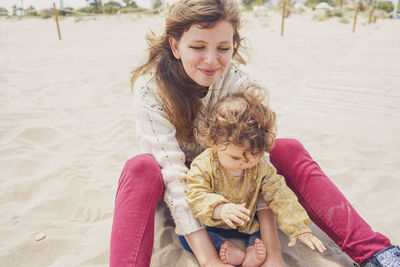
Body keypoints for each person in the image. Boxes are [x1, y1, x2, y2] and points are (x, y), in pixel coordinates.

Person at [109, 0, 399, 266]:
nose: (211, 60)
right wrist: (210, 261)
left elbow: (260, 167)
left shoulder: (238, 83)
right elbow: (173, 177)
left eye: (223, 48)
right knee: (139, 167)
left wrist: (274, 255)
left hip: (235, 171)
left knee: (287, 147)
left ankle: (376, 253)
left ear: (234, 46)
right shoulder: (150, 90)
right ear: (175, 47)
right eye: (198, 47)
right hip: (185, 184)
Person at [181, 90, 326, 266]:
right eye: (236, 158)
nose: (245, 164)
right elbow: (195, 195)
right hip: (212, 223)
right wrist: (220, 209)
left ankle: (251, 249)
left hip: (247, 224)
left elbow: (280, 194)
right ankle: (222, 245)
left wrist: (299, 227)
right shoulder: (203, 165)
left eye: (253, 156)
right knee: (185, 235)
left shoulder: (260, 166)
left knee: (260, 233)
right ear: (214, 142)